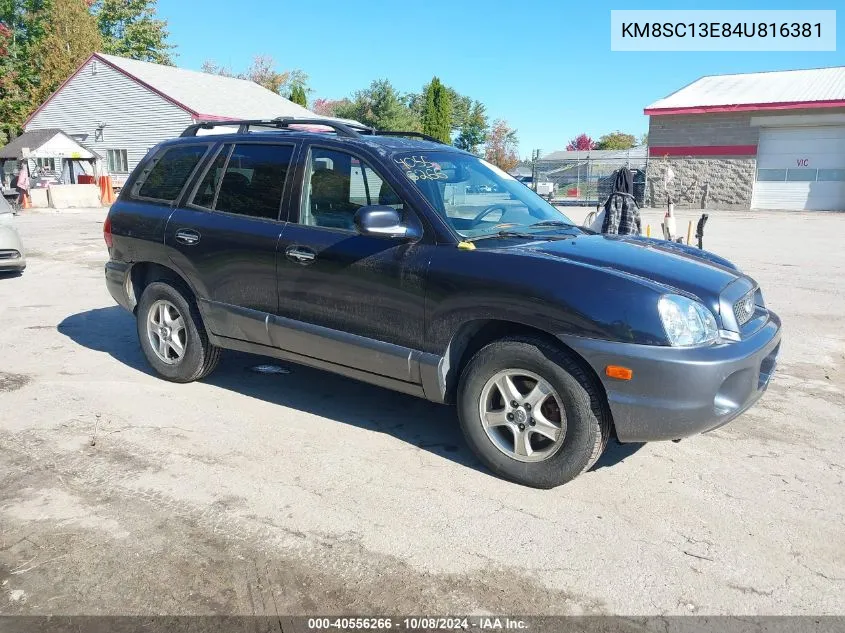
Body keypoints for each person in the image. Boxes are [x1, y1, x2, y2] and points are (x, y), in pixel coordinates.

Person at [600, 166, 641, 235]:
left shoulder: (611, 200)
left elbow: (605, 222)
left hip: (611, 240)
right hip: (628, 241)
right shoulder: (632, 202)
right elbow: (638, 225)